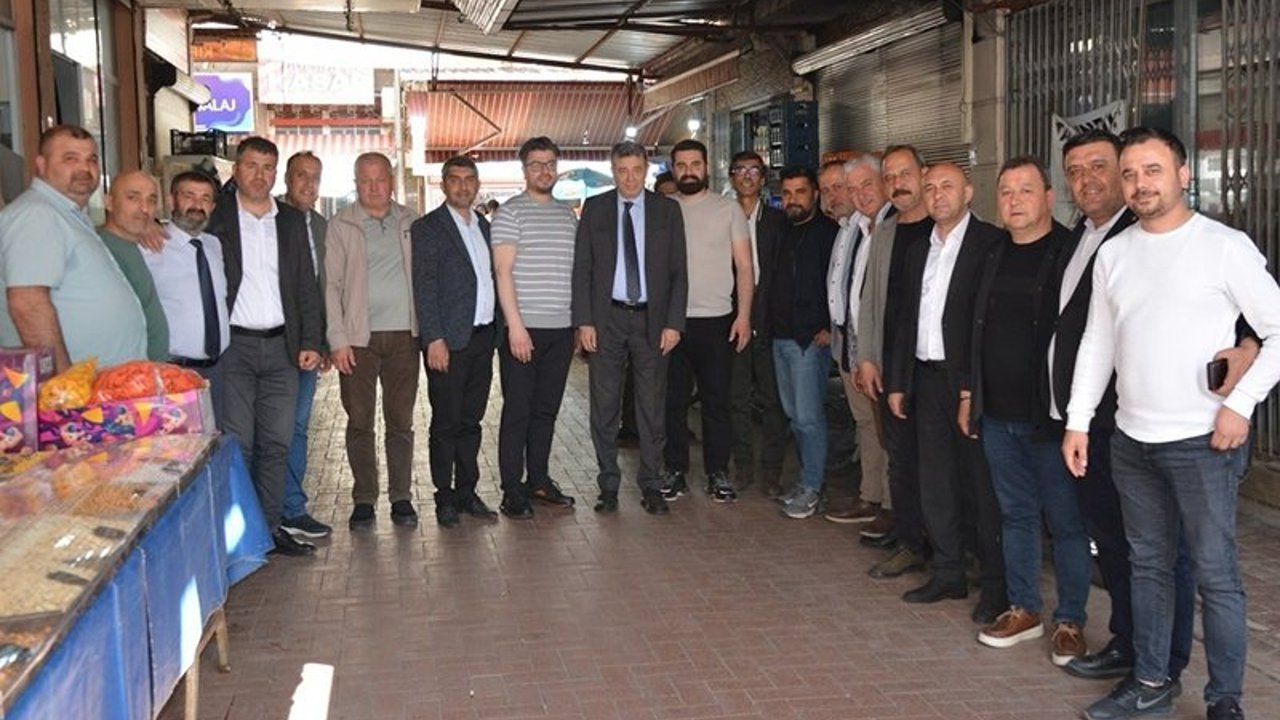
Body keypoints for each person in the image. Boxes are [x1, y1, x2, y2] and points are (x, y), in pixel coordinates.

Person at [1064, 126, 1280, 720]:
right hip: (1132, 441)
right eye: (1130, 173)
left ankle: (1225, 699)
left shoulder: (1224, 246)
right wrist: (1078, 421)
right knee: (1149, 568)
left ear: (1184, 175)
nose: (1140, 184)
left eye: (1153, 170)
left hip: (1203, 442)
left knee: (1216, 576)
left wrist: (1241, 404)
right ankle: (1152, 683)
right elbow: (1098, 343)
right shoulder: (1115, 253)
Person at [1050, 128, 1198, 686]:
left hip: (1137, 425)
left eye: (1098, 166)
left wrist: (1245, 355)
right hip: (1090, 425)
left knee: (1158, 551)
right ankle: (1129, 641)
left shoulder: (1151, 238)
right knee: (1112, 542)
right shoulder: (1081, 237)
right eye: (1074, 171)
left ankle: (1166, 662)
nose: (1086, 180)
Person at [959, 156, 1089, 666]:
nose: (1014, 200)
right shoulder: (991, 253)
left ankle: (1070, 620)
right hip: (997, 414)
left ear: (1049, 197)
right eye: (1006, 192)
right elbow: (972, 328)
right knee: (1015, 514)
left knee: (1066, 522)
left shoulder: (1070, 253)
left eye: (1026, 190)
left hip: (1051, 418)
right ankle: (1024, 608)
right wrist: (969, 394)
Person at [886, 162, 1006, 623]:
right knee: (934, 479)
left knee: (981, 485)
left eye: (947, 187)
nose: (937, 195)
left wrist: (972, 388)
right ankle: (948, 570)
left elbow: (987, 326)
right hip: (924, 377)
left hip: (968, 382)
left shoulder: (990, 244)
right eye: (931, 187)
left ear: (968, 193)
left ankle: (994, 585)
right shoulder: (919, 248)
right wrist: (899, 382)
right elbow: (904, 320)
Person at [209, 136, 324, 557]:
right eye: (252, 165)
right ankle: (240, 536)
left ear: (276, 174)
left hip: (282, 349)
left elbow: (306, 286)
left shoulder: (290, 221)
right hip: (234, 348)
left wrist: (311, 341)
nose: (260, 175)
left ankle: (270, 529)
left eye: (268, 167)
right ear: (236, 170)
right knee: (240, 444)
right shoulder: (217, 216)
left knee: (277, 443)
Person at [571, 141, 688, 515]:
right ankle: (608, 485)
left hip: (653, 320)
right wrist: (584, 320)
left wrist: (674, 323)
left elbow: (678, 271)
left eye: (637, 170)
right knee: (604, 405)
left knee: (651, 406)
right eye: (622, 171)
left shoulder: (667, 210)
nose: (630, 178)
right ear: (613, 171)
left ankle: (651, 484)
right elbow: (583, 268)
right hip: (607, 319)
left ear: (646, 170)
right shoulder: (596, 208)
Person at [0, 124, 146, 372]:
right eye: (70, 158)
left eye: (92, 159)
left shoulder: (67, 214)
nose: (84, 168)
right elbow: (28, 302)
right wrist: (63, 382)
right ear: (41, 165)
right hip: (73, 387)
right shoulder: (37, 214)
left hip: (97, 382)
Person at [326, 153, 421, 529]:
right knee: (360, 420)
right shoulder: (341, 224)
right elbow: (331, 286)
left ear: (392, 181)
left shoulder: (411, 221)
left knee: (401, 421)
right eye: (365, 180)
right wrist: (338, 339)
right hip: (357, 340)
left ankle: (401, 496)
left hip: (404, 337)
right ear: (355, 183)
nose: (373, 186)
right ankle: (364, 497)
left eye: (380, 179)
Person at [658, 139, 753, 503]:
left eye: (695, 164)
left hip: (717, 321)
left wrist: (743, 316)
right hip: (672, 322)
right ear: (673, 168)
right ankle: (675, 470)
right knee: (673, 402)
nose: (688, 171)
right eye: (681, 165)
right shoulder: (663, 209)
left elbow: (745, 267)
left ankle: (718, 471)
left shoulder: (728, 209)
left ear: (706, 166)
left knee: (717, 402)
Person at [491, 137, 579, 518]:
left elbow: (573, 273)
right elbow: (503, 272)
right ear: (524, 170)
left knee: (546, 411)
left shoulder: (566, 215)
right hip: (523, 330)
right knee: (518, 412)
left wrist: (576, 325)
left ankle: (539, 480)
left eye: (550, 164)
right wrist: (515, 327)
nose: (544, 171)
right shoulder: (510, 213)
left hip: (561, 330)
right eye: (536, 164)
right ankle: (512, 489)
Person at [411, 155, 500, 528]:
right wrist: (434, 337)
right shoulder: (428, 228)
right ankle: (444, 496)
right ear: (444, 184)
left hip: (482, 338)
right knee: (445, 423)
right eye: (455, 179)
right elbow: (424, 285)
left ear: (477, 184)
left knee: (471, 421)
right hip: (448, 341)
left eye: (469, 179)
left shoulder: (484, 226)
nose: (463, 186)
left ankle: (467, 490)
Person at [858, 145, 933, 578]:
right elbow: (869, 300)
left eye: (905, 174)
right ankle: (909, 541)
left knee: (938, 463)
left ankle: (945, 545)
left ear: (923, 175)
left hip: (933, 367)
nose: (897, 184)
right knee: (901, 458)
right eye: (889, 177)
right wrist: (867, 357)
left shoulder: (945, 228)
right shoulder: (884, 233)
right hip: (891, 366)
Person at [763, 166, 838, 519]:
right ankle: (808, 481)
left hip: (809, 339)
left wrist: (829, 326)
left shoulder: (829, 234)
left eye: (800, 192)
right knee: (795, 416)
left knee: (808, 417)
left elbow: (839, 283)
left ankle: (813, 487)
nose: (793, 200)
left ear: (815, 195)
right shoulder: (781, 230)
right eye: (787, 193)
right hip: (780, 337)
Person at [826, 157, 895, 528]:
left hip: (879, 348)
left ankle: (891, 505)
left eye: (866, 184)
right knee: (866, 423)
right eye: (852, 189)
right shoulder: (855, 226)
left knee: (887, 428)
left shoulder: (894, 226)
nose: (859, 194)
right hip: (850, 341)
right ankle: (871, 496)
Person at [278, 150, 333, 540]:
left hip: (309, 344)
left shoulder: (322, 226)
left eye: (315, 177)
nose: (308, 184)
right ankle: (276, 508)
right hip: (274, 342)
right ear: (287, 178)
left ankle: (292, 508)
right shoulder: (271, 220)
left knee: (297, 426)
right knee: (275, 429)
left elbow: (323, 287)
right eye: (301, 175)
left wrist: (323, 339)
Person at [145, 171, 229, 419]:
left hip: (216, 370)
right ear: (172, 200)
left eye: (205, 199)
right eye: (189, 196)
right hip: (173, 371)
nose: (197, 205)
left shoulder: (214, 245)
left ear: (213, 207)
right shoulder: (150, 245)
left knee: (215, 436)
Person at [727, 151, 788, 495]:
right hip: (733, 320)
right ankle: (743, 467)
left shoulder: (778, 221)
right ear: (732, 177)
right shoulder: (723, 216)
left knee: (772, 400)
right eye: (740, 170)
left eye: (754, 171)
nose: (747, 176)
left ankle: (772, 472)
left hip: (770, 320)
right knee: (736, 398)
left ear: (763, 179)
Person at [99, 171, 169, 361]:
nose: (144, 209)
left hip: (147, 370)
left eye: (151, 200)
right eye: (133, 198)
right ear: (109, 202)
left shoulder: (134, 245)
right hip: (120, 370)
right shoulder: (101, 250)